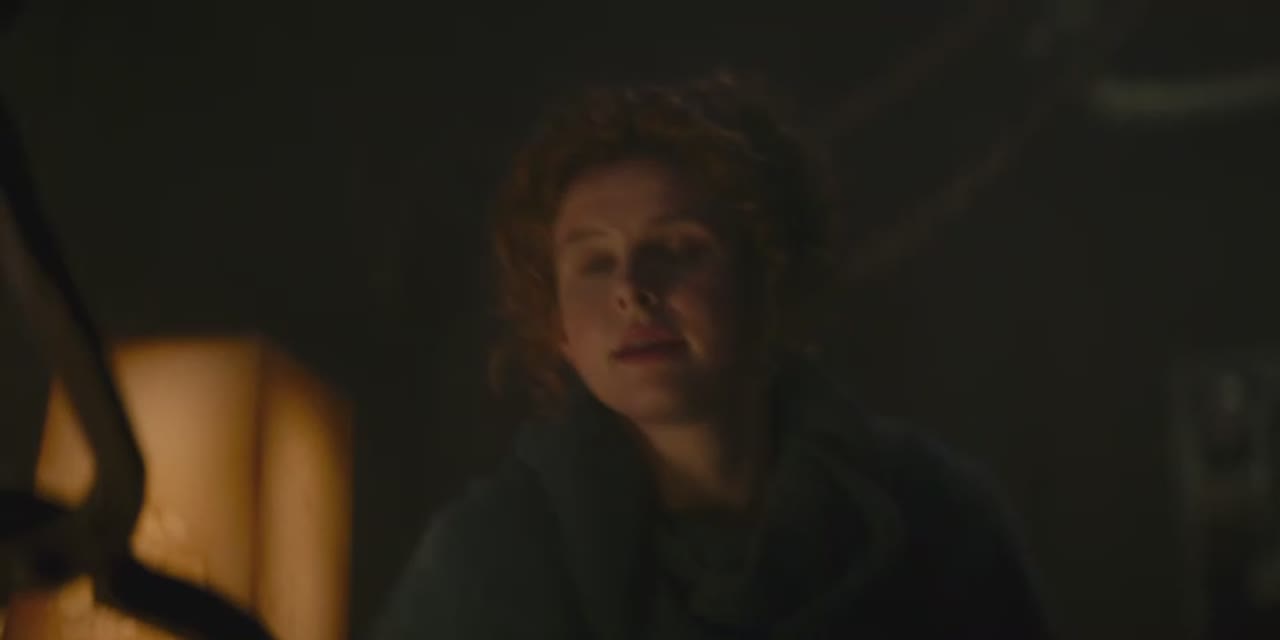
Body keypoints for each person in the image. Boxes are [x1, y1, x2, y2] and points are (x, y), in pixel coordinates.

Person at [368, 73, 1051, 639]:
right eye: (595, 262)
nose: (632, 289)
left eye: (677, 248)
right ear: (558, 329)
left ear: (765, 280)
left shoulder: (935, 521)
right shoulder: (488, 560)